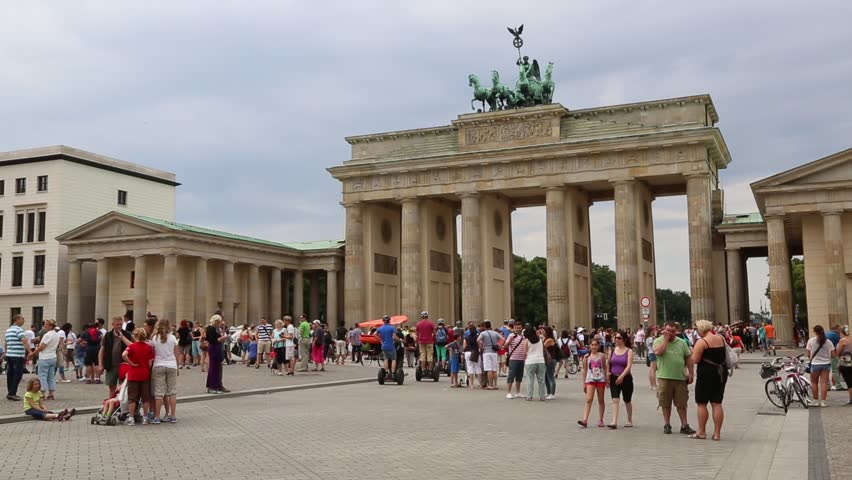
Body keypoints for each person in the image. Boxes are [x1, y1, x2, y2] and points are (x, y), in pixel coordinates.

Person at [653, 322, 696, 435]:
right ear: (664, 330)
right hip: (664, 377)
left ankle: (684, 425)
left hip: (680, 377)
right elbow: (658, 352)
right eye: (668, 331)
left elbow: (688, 358)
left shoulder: (681, 342)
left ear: (676, 331)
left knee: (682, 403)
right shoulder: (658, 341)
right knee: (665, 403)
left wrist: (691, 373)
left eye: (673, 331)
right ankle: (667, 424)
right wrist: (666, 340)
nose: (671, 333)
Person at [690, 320, 727, 440]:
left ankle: (701, 432)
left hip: (706, 374)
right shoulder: (720, 338)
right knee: (717, 403)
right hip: (721, 372)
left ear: (700, 329)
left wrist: (692, 351)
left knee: (701, 403)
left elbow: (695, 359)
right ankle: (717, 434)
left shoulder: (702, 342)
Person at [122, 328, 154, 425]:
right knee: (145, 397)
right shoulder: (148, 347)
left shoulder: (132, 346)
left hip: (133, 374)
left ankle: (131, 418)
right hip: (144, 374)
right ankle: (145, 417)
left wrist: (131, 363)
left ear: (135, 336)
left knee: (132, 398)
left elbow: (124, 354)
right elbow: (150, 364)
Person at [150, 318, 179, 424]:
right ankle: (173, 415)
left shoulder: (154, 338)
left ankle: (157, 416)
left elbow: (153, 352)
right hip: (171, 365)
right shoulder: (173, 338)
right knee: (172, 392)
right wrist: (178, 366)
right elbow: (176, 353)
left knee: (159, 393)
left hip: (158, 365)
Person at [98, 317, 133, 399]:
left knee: (123, 387)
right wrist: (100, 364)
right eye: (117, 325)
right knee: (111, 387)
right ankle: (111, 403)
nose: (119, 326)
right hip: (111, 365)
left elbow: (133, 346)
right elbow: (102, 351)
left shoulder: (127, 334)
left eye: (121, 324)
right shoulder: (107, 335)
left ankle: (121, 405)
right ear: (113, 325)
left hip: (124, 365)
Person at [578, 338, 608, 427]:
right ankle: (585, 419)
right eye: (592, 345)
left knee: (601, 400)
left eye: (595, 345)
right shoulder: (586, 357)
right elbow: (585, 370)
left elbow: (605, 368)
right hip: (590, 379)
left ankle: (601, 419)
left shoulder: (602, 356)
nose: (594, 346)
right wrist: (584, 383)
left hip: (600, 379)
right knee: (589, 399)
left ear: (598, 346)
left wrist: (607, 379)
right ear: (590, 346)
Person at [28, 319, 60, 400]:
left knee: (43, 376)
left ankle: (42, 394)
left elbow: (41, 347)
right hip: (53, 356)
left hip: (45, 357)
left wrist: (33, 353)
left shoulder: (47, 335)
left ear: (51, 326)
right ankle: (51, 393)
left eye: (46, 324)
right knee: (51, 376)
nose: (44, 325)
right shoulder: (56, 335)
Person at [608, 330, 634, 428]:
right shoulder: (612, 350)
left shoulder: (629, 351)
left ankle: (629, 420)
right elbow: (609, 363)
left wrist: (622, 376)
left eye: (619, 338)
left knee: (627, 400)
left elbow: (629, 366)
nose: (617, 340)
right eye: (616, 338)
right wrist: (607, 374)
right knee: (615, 399)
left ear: (624, 339)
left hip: (626, 378)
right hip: (614, 377)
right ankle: (614, 421)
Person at [5, 314, 32, 401]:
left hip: (10, 354)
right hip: (18, 355)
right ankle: (13, 393)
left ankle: (10, 392)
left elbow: (6, 343)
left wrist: (6, 352)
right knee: (18, 374)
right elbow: (24, 341)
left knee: (10, 374)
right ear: (17, 320)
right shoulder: (19, 330)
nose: (23, 320)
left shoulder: (8, 330)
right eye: (22, 319)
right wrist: (30, 352)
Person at [807, 325, 835, 407]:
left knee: (814, 383)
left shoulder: (811, 341)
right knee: (824, 383)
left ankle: (815, 400)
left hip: (815, 364)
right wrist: (827, 357)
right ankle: (823, 402)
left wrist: (811, 359)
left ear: (815, 332)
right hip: (826, 364)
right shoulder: (828, 342)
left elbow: (808, 354)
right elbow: (833, 355)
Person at [205, 313, 230, 394]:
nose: (219, 323)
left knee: (218, 367)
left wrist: (222, 328)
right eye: (218, 322)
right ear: (215, 321)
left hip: (217, 348)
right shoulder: (211, 328)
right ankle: (213, 386)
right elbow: (212, 340)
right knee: (214, 368)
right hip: (214, 348)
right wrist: (222, 338)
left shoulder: (216, 328)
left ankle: (218, 385)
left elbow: (220, 336)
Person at [523, 327, 547, 401]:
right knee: (541, 380)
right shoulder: (540, 340)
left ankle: (529, 396)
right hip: (540, 360)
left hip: (530, 361)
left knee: (530, 379)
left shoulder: (526, 341)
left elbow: (525, 353)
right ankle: (542, 396)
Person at [503, 322, 526, 399]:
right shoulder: (511, 335)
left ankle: (517, 392)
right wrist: (510, 340)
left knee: (519, 376)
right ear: (514, 328)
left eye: (520, 327)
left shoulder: (524, 337)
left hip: (521, 359)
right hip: (513, 358)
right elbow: (505, 346)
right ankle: (508, 392)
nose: (518, 329)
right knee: (511, 375)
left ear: (522, 328)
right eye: (517, 327)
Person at [477, 320, 501, 390]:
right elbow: (503, 339)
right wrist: (498, 346)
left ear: (484, 326)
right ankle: (495, 385)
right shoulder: (495, 333)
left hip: (486, 352)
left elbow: (478, 340)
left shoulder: (483, 333)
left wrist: (481, 347)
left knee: (489, 369)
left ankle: (490, 385)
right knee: (494, 369)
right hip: (494, 352)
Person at [835, 326, 852, 405]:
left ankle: (851, 399)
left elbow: (838, 353)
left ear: (842, 332)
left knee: (849, 381)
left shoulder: (842, 340)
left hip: (846, 363)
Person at [462, 323, 482, 390]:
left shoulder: (467, 337)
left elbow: (464, 346)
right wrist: (480, 349)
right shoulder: (477, 336)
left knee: (470, 369)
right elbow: (479, 344)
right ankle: (480, 384)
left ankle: (472, 385)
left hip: (468, 352)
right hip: (475, 352)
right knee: (478, 368)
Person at [826, 325, 844, 391]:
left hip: (825, 355)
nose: (840, 331)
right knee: (835, 370)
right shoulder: (835, 335)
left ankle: (827, 386)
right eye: (839, 329)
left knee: (826, 371)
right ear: (836, 329)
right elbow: (840, 345)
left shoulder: (826, 333)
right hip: (833, 354)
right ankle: (838, 385)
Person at [542, 326, 558, 399]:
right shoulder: (546, 339)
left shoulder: (550, 340)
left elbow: (542, 347)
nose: (542, 332)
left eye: (544, 331)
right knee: (546, 376)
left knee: (550, 376)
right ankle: (548, 392)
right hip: (547, 360)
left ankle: (552, 393)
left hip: (551, 359)